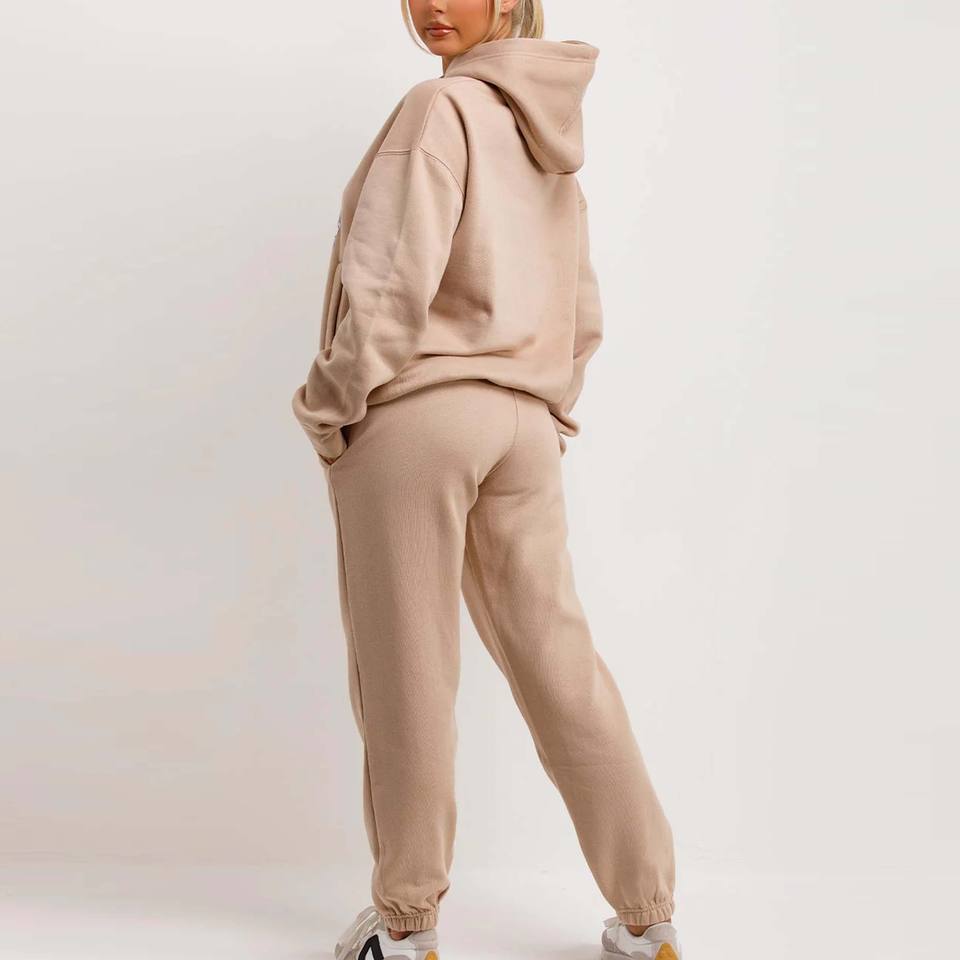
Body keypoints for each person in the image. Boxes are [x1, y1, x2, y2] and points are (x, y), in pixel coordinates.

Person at [291, 3, 683, 958]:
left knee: (408, 676)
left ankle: (407, 925)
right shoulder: (551, 137)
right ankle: (648, 916)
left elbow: (390, 282)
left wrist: (329, 403)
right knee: (560, 665)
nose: (433, 5)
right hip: (523, 424)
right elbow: (581, 308)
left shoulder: (440, 111)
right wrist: (548, 408)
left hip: (419, 418)